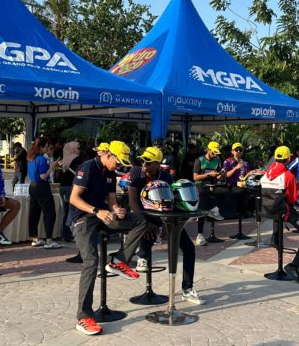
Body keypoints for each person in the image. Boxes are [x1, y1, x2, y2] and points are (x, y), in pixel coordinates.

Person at [67, 141, 147, 336]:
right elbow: (73, 198)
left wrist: (117, 209)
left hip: (103, 215)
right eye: (118, 163)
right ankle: (84, 317)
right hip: (82, 218)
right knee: (91, 261)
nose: (119, 167)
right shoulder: (87, 168)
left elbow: (112, 201)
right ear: (109, 155)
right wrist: (97, 211)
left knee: (141, 220)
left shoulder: (110, 172)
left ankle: (118, 261)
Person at [128, 146, 205, 304]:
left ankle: (187, 289)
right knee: (148, 228)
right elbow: (133, 202)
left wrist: (166, 225)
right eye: (143, 161)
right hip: (143, 215)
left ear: (157, 164)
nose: (144, 164)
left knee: (189, 249)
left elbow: (170, 203)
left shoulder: (166, 177)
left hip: (163, 216)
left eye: (148, 162)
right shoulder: (135, 172)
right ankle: (142, 255)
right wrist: (145, 221)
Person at [260, 146, 299, 284]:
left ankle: (276, 240)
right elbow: (293, 199)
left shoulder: (265, 174)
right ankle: (293, 266)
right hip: (283, 212)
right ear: (289, 158)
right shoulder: (288, 176)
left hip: (268, 211)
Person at [27, 137, 61, 249]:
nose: (47, 148)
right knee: (49, 212)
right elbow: (43, 176)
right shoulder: (42, 158)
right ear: (40, 147)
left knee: (34, 212)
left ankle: (35, 238)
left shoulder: (31, 157)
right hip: (41, 186)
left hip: (32, 186)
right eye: (46, 146)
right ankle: (49, 240)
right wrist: (52, 166)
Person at [193, 141, 225, 245]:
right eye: (213, 152)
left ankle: (214, 211)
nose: (215, 155)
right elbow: (195, 177)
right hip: (201, 186)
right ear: (208, 150)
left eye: (217, 153)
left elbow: (218, 176)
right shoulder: (199, 160)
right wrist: (208, 174)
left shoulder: (217, 160)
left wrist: (221, 175)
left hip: (212, 185)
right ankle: (199, 234)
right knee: (203, 204)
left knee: (225, 193)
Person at [58, 141, 83, 242]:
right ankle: (69, 234)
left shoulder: (66, 159)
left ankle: (65, 233)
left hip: (63, 187)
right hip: (70, 187)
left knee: (66, 211)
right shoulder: (76, 159)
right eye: (78, 148)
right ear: (72, 149)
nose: (79, 150)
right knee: (71, 211)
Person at [223, 142, 250, 218]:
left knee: (254, 190)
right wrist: (235, 168)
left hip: (243, 184)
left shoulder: (245, 163)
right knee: (240, 191)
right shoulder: (228, 161)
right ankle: (239, 212)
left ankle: (248, 211)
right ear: (232, 151)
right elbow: (226, 175)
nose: (238, 151)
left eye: (240, 150)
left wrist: (251, 173)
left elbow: (247, 175)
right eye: (236, 150)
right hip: (232, 185)